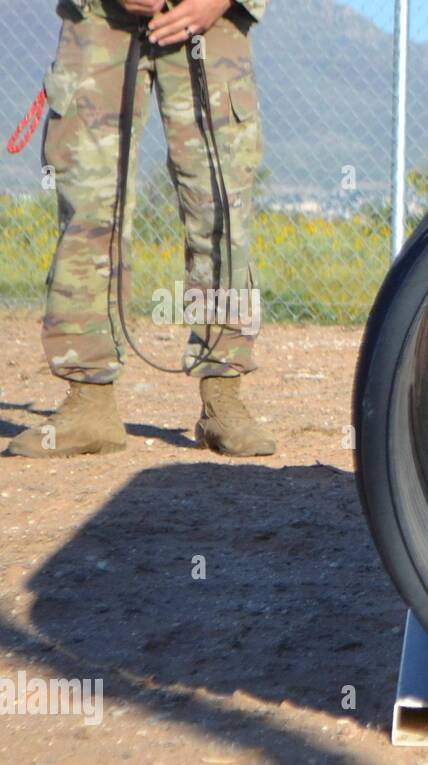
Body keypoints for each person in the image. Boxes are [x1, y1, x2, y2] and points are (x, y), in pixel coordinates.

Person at [7, 0, 275, 458]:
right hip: (99, 16)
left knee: (220, 208)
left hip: (211, 22)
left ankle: (222, 398)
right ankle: (88, 403)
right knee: (89, 207)